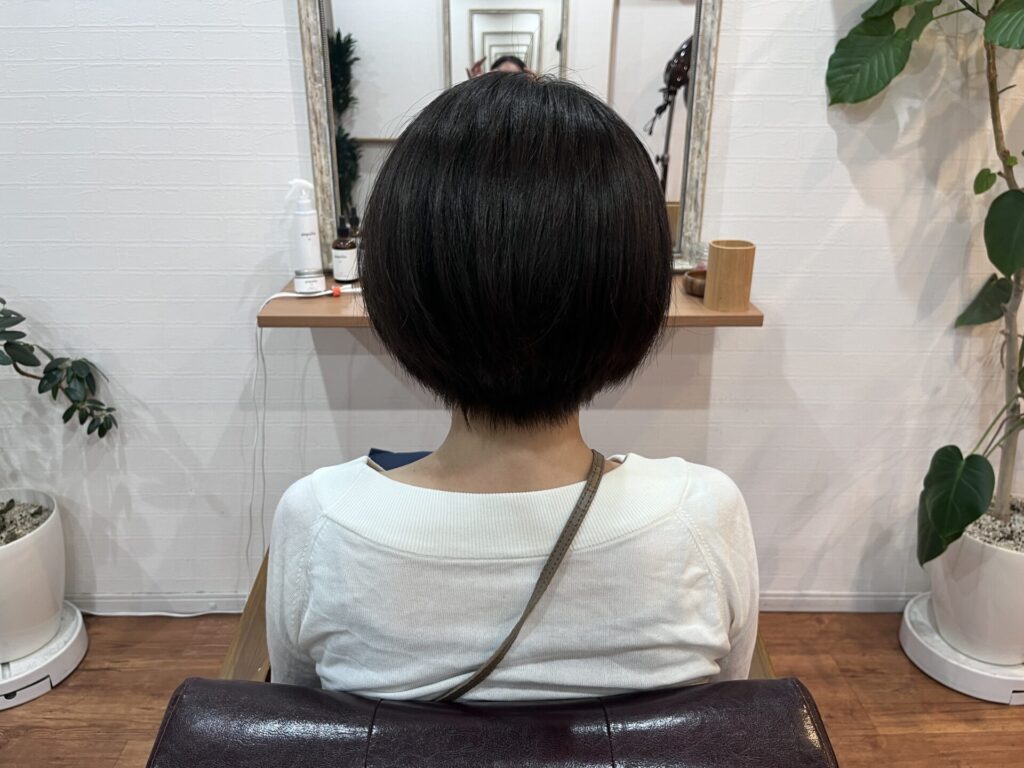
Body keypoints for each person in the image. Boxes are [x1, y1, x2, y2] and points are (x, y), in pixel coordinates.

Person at [266, 72, 758, 701]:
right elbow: (724, 711)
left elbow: (304, 720)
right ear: (632, 294)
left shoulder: (321, 522)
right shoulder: (703, 517)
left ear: (399, 290)